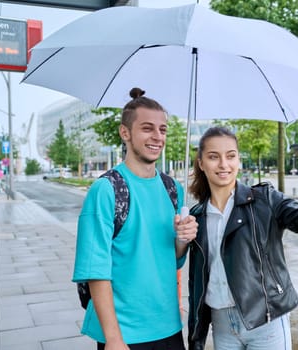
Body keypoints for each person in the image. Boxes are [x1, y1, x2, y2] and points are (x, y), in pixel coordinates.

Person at [187, 126, 298, 349]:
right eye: (213, 157)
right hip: (221, 324)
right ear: (201, 163)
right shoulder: (196, 217)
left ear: (239, 160)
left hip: (265, 320)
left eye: (230, 156)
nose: (223, 164)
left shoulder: (264, 200)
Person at [72, 88, 197, 350]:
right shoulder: (106, 190)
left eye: (162, 129)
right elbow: (95, 270)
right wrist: (114, 338)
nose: (157, 137)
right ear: (125, 133)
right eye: (147, 128)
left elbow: (172, 257)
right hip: (123, 333)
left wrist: (183, 240)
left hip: (169, 326)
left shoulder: (173, 189)